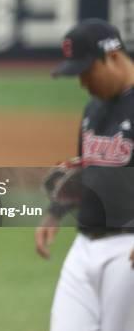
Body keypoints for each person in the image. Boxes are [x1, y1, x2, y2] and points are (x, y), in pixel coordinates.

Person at [35, 18, 134, 331]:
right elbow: (88, 169)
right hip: (84, 245)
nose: (82, 83)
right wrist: (56, 211)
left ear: (114, 57)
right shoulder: (94, 108)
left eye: (87, 71)